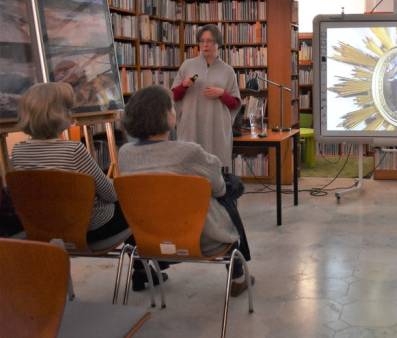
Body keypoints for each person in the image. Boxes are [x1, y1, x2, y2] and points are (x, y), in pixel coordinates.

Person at [118, 84, 252, 296]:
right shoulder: (188, 153)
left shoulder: (124, 153)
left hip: (146, 240)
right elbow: (218, 188)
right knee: (230, 188)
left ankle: (141, 270)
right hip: (200, 240)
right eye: (172, 107)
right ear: (166, 116)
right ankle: (237, 276)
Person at [10, 82, 130, 243]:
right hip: (89, 228)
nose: (71, 112)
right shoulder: (74, 151)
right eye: (68, 108)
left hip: (44, 227)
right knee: (136, 205)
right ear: (57, 114)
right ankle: (142, 257)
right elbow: (110, 195)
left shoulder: (18, 151)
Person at [171, 24, 241, 172]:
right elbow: (173, 96)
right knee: (190, 169)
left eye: (209, 40)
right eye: (202, 41)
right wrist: (183, 86)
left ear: (218, 43)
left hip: (216, 128)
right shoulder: (187, 65)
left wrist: (222, 93)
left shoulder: (228, 71)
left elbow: (235, 104)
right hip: (191, 126)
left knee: (215, 171)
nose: (205, 44)